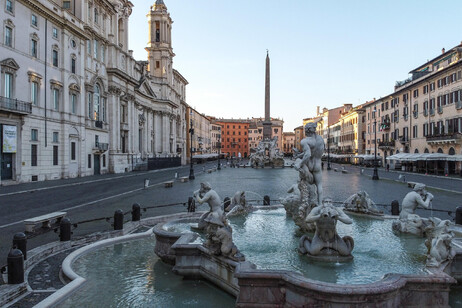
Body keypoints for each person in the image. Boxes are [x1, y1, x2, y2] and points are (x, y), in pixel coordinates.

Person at [294, 122, 325, 204]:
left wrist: (299, 164)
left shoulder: (305, 141)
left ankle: (305, 201)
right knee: (319, 185)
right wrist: (299, 155)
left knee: (304, 181)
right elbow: (313, 152)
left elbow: (308, 154)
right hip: (317, 164)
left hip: (309, 164)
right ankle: (320, 204)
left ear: (306, 131)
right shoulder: (320, 139)